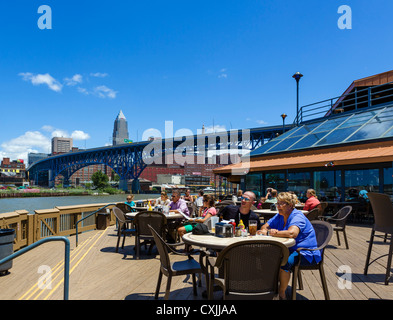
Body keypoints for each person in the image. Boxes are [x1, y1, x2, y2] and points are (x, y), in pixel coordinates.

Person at [258, 192, 321, 300]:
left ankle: (282, 294)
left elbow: (292, 233)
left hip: (305, 252)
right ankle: (270, 287)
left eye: (281, 204)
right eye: (277, 203)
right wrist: (265, 230)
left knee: (284, 261)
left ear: (290, 205)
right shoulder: (280, 215)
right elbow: (264, 227)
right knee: (265, 257)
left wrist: (271, 233)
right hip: (288, 249)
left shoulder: (297, 216)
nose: (278, 206)